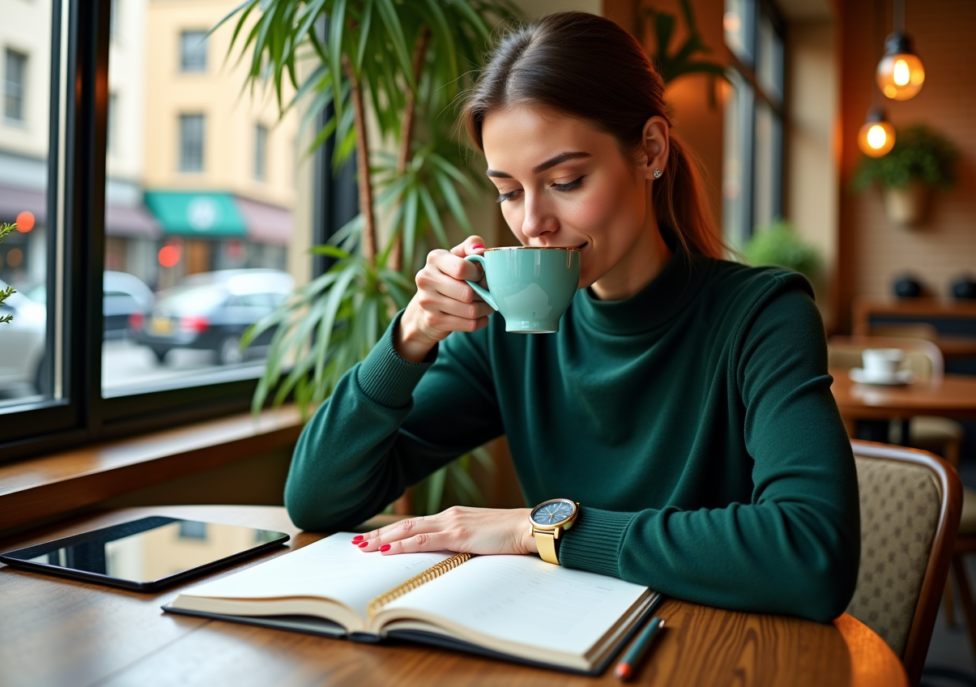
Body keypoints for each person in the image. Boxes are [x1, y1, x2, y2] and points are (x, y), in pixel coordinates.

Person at [286, 11, 859, 623]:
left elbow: (812, 553)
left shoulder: (761, 315)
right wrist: (408, 340)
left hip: (712, 651)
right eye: (509, 191)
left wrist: (537, 531)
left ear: (650, 150)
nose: (533, 222)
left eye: (565, 179)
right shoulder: (515, 332)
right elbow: (317, 498)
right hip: (563, 646)